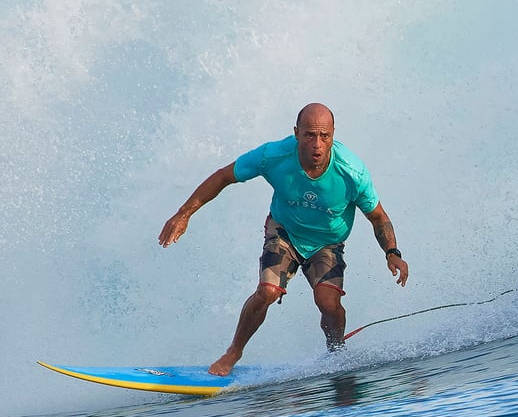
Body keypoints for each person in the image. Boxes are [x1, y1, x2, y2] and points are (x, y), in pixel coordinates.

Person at [158, 103, 409, 376]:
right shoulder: (273, 156)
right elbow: (223, 176)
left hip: (327, 243)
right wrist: (184, 214)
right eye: (309, 135)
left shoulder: (352, 172)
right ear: (296, 133)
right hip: (284, 232)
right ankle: (233, 352)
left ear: (333, 135)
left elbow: (378, 217)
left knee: (328, 303)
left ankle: (336, 351)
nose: (317, 144)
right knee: (267, 291)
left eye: (324, 136)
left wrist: (392, 252)